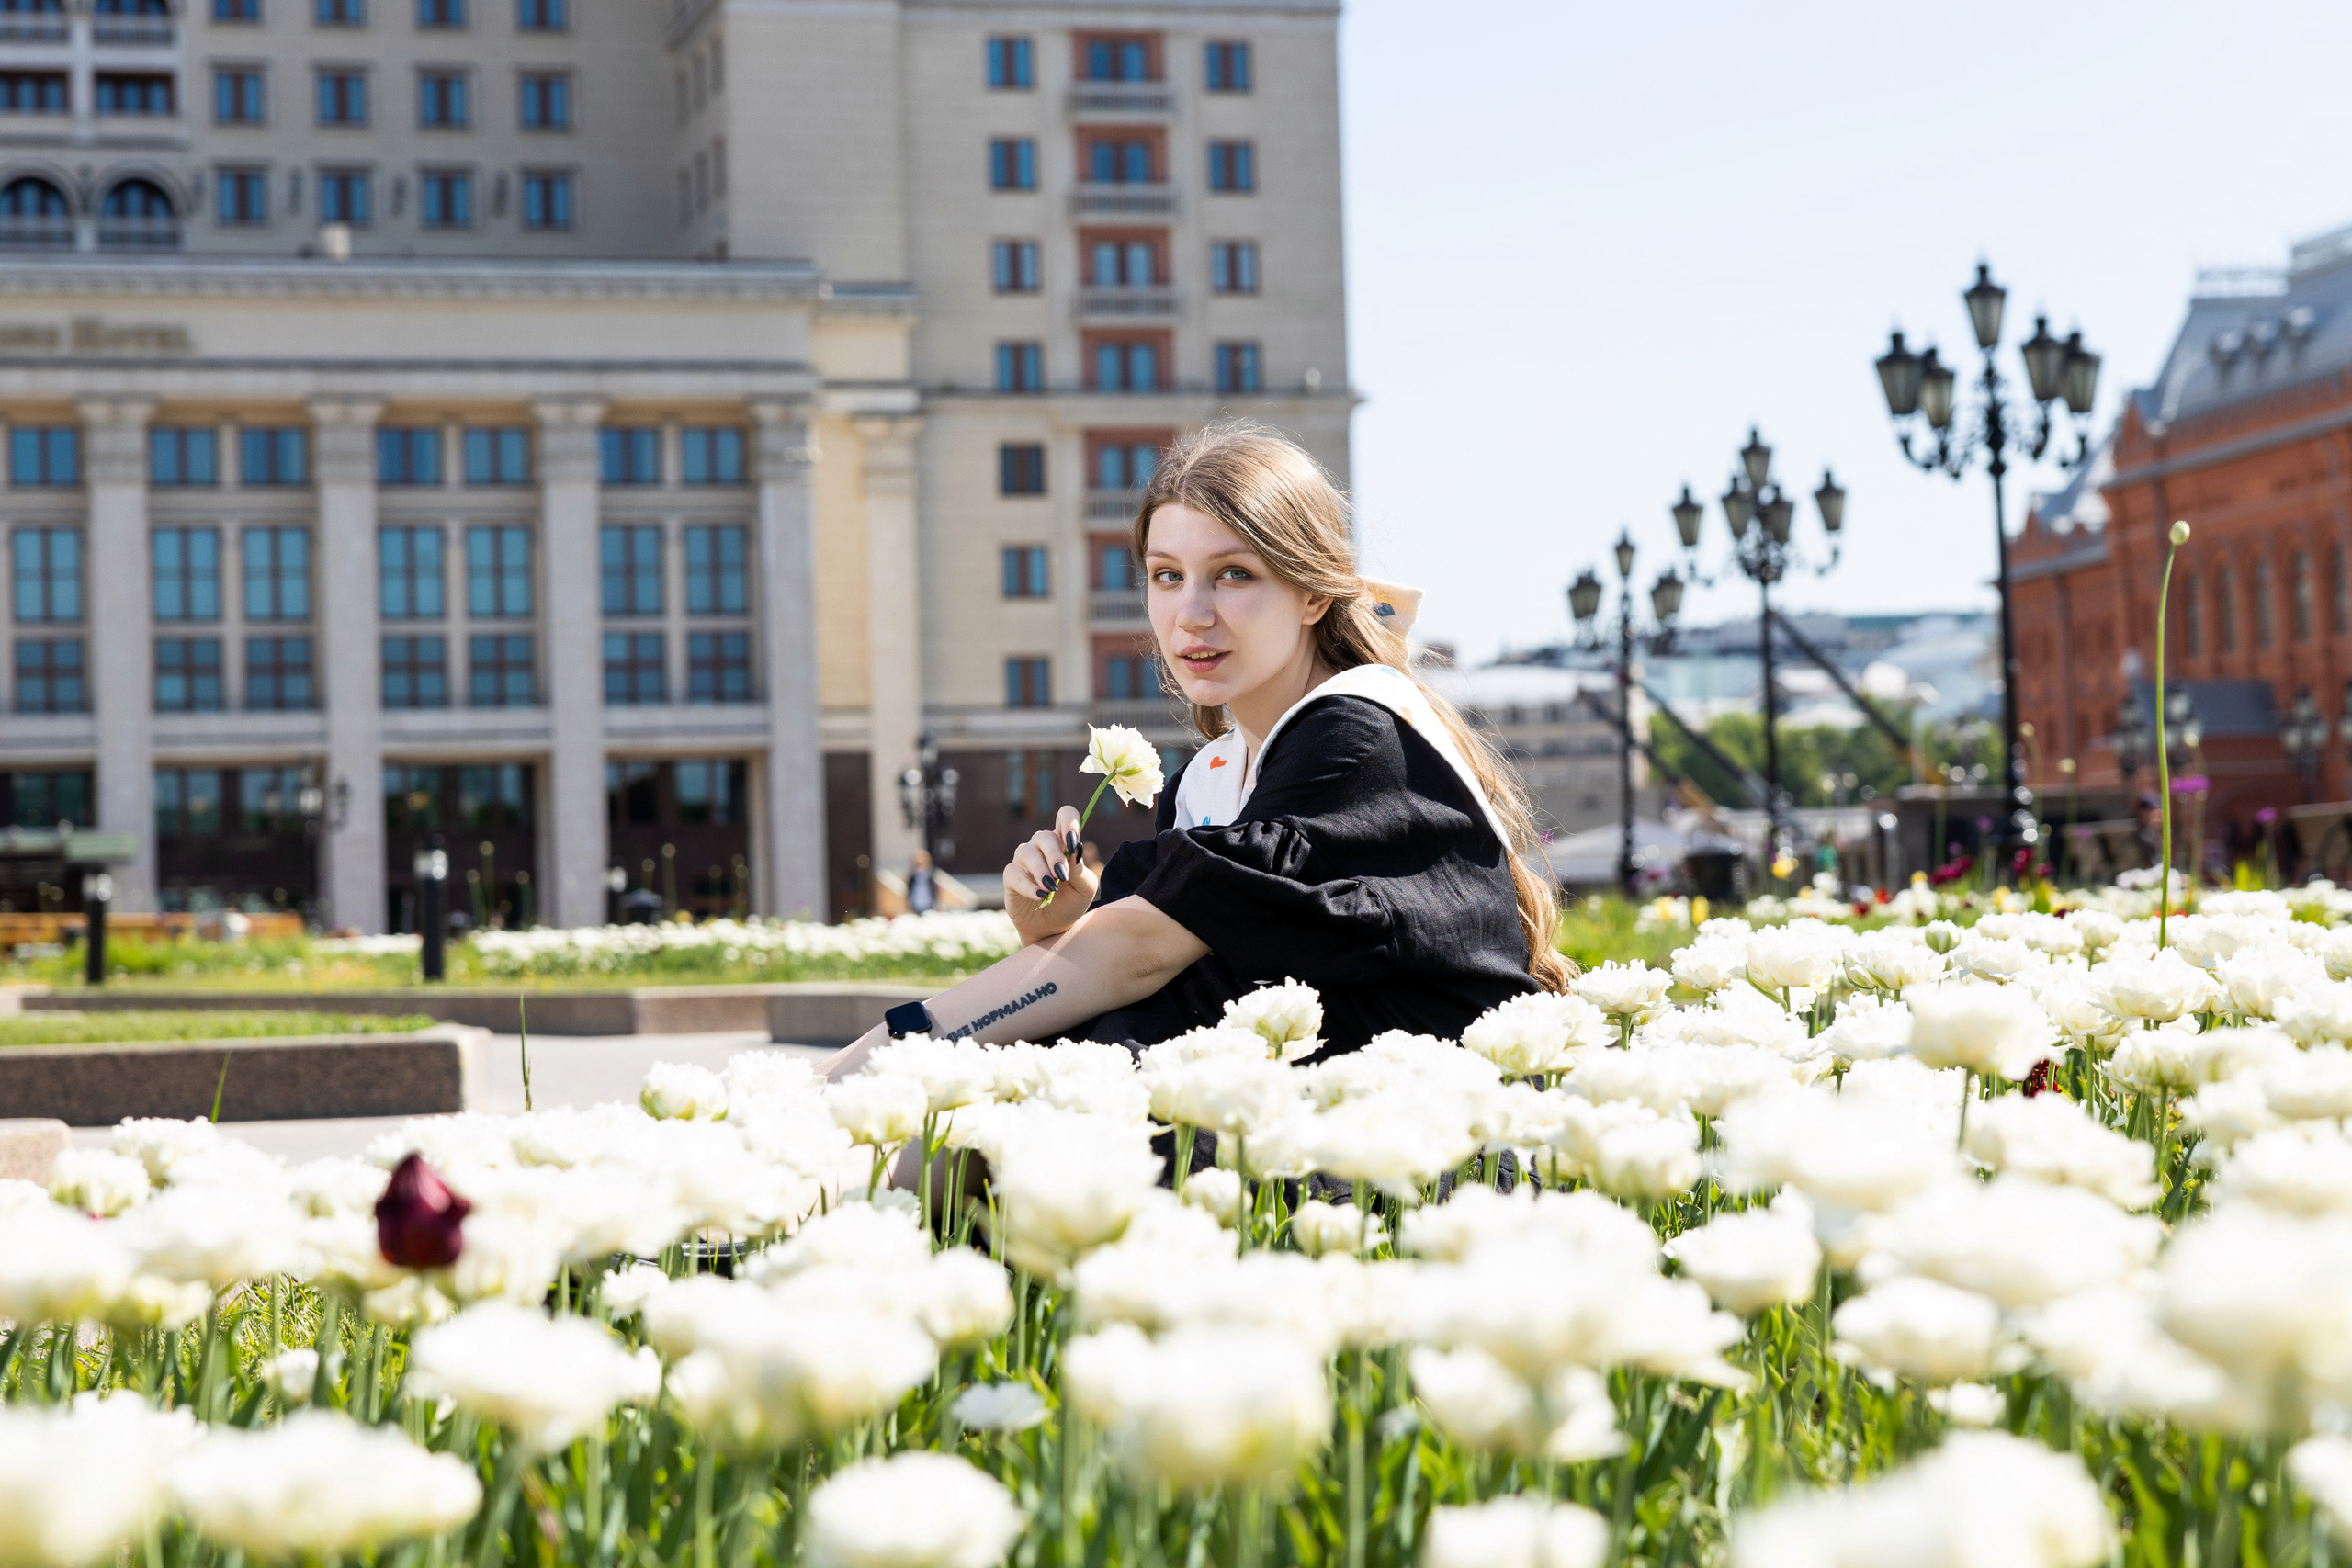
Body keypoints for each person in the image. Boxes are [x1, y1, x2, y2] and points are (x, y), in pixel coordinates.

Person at [822, 422, 1568, 1079]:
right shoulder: (1208, 782)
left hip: (1404, 1165)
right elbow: (1170, 969)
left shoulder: (1358, 735)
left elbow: (1138, 954)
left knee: (983, 1131)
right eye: (1166, 575)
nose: (1192, 614)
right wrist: (1063, 925)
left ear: (1313, 594)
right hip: (1282, 1127)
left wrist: (887, 1054)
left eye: (1233, 574)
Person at [906, 849, 937, 915]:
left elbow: (934, 888)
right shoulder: (913, 874)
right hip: (916, 901)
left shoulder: (931, 873)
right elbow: (909, 888)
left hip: (928, 901)